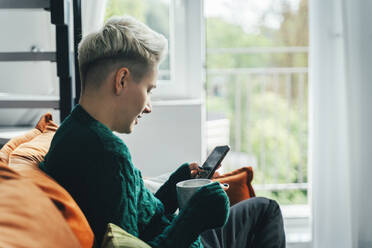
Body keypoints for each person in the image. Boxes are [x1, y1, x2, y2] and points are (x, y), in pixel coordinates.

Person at [39, 16, 285, 248]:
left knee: (263, 208)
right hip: (186, 239)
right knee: (267, 211)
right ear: (122, 79)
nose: (148, 107)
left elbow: (139, 220)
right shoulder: (107, 152)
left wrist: (174, 184)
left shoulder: (71, 131)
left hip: (171, 230)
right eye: (149, 89)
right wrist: (196, 215)